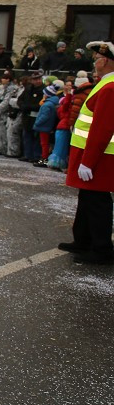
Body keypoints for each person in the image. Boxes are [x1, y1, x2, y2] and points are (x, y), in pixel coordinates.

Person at [59, 41, 114, 265]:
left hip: (100, 158)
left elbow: (102, 129)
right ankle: (82, 240)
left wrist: (88, 162)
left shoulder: (110, 87)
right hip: (94, 156)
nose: (94, 61)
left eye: (97, 58)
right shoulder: (105, 84)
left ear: (106, 60)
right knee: (87, 199)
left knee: (97, 202)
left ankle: (101, 248)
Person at [16, 71, 45, 163]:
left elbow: (41, 104)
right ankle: (27, 154)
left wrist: (29, 107)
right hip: (27, 116)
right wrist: (22, 106)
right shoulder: (28, 89)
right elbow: (20, 100)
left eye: (39, 79)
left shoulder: (43, 90)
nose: (38, 81)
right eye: (35, 79)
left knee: (36, 138)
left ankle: (36, 156)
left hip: (36, 116)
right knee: (27, 136)